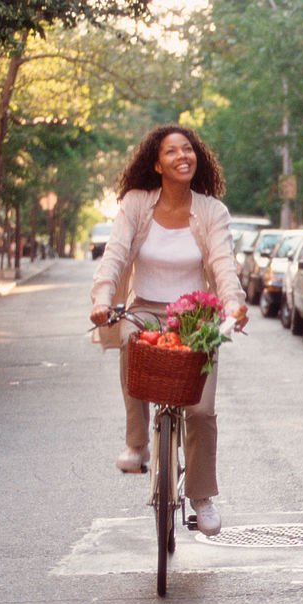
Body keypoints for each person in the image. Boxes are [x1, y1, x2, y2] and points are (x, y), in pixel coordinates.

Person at [89, 124, 248, 536]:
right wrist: (103, 299)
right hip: (145, 310)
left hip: (195, 317)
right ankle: (138, 444)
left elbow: (222, 263)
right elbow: (116, 254)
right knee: (128, 338)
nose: (183, 156)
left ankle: (201, 496)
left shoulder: (212, 210)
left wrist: (233, 303)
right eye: (172, 151)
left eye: (189, 149)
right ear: (157, 163)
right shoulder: (136, 204)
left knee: (200, 410)